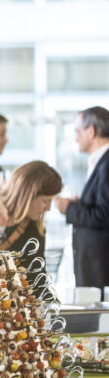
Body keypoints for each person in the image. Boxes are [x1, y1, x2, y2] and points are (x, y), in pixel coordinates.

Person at [53, 106, 109, 290]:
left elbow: (104, 215)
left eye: (77, 131)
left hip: (101, 270)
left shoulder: (106, 164)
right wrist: (80, 205)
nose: (75, 137)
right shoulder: (99, 162)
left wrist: (68, 209)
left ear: (91, 131)